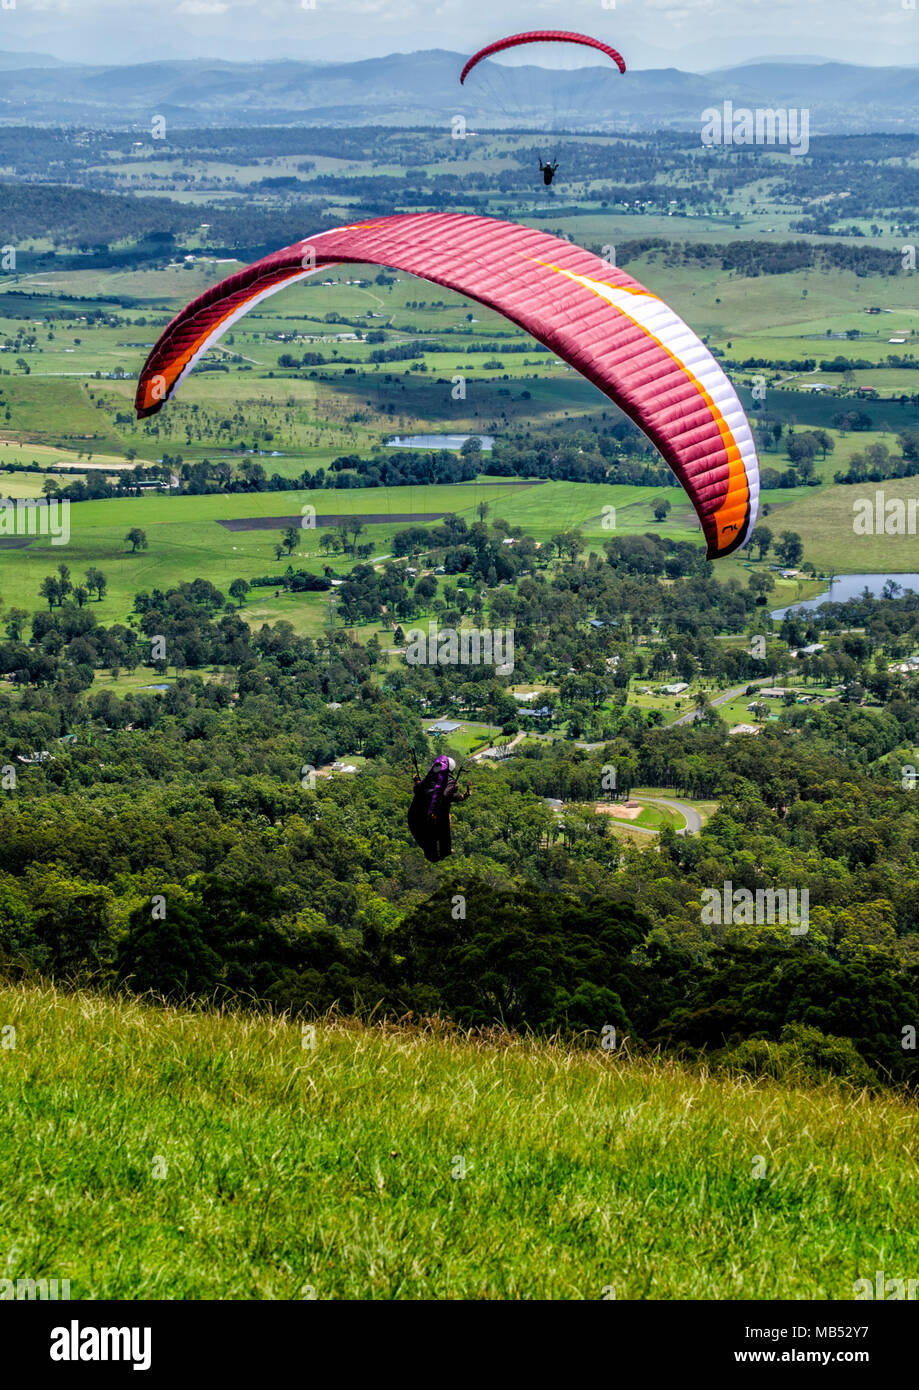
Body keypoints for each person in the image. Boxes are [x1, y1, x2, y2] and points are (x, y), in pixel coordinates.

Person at [407, 755, 471, 862]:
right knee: (445, 819)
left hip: (416, 816)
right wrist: (461, 797)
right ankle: (444, 851)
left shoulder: (430, 778)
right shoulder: (451, 783)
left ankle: (436, 853)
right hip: (432, 818)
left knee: (428, 844)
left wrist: (417, 781)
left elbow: (418, 789)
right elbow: (446, 796)